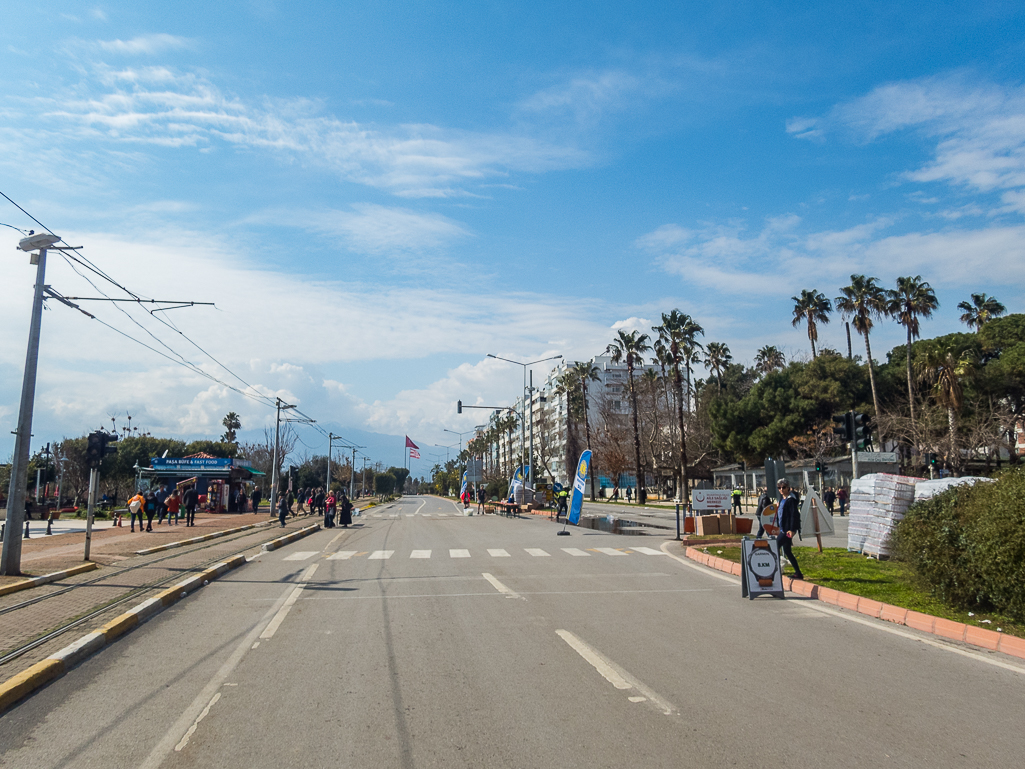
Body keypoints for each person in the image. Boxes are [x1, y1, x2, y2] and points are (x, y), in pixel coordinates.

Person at [774, 479, 804, 581]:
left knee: (775, 546)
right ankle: (798, 573)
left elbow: (793, 516)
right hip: (783, 529)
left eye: (783, 487)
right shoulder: (782, 499)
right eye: (779, 488)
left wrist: (792, 529)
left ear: (788, 488)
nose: (781, 490)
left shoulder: (791, 500)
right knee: (787, 551)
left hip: (787, 530)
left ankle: (775, 569)